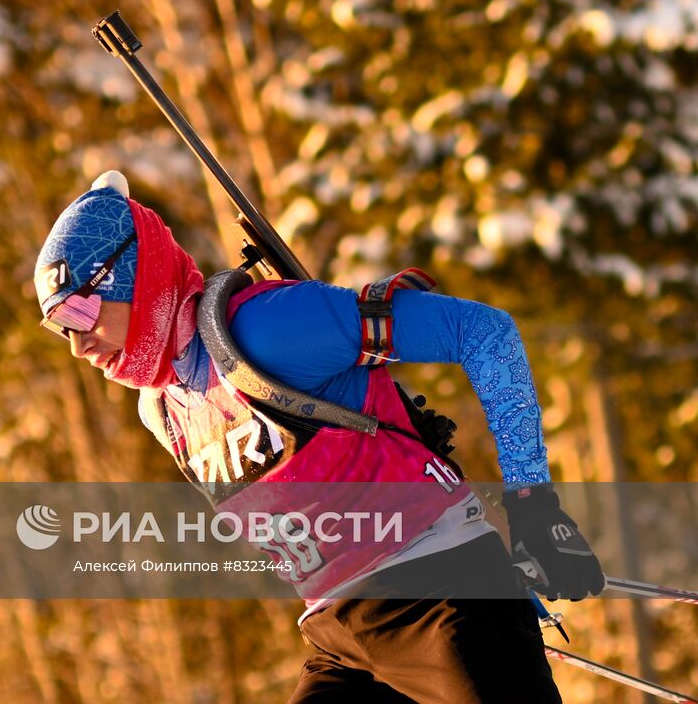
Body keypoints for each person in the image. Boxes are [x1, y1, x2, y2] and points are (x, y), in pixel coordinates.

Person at [34, 170, 605, 703]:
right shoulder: (161, 409)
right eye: (60, 327)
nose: (78, 346)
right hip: (338, 635)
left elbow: (484, 334)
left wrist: (533, 506)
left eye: (82, 313)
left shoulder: (269, 328)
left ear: (137, 272)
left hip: (441, 600)